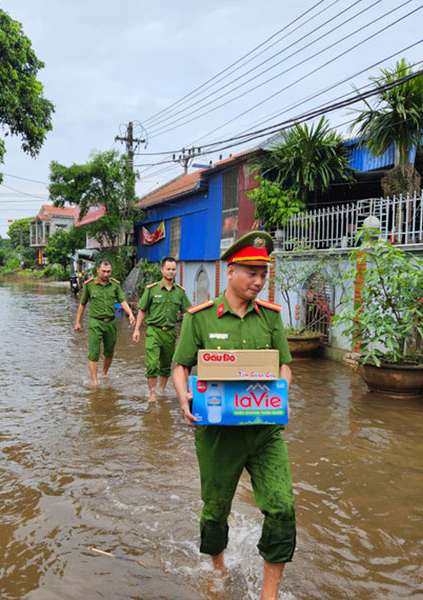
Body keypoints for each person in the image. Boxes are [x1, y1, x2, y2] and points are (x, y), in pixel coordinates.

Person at [171, 231, 294, 600]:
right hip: (217, 433)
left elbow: (284, 366)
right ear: (231, 270)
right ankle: (219, 569)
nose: (258, 281)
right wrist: (183, 396)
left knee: (283, 508)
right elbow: (180, 366)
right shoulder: (201, 318)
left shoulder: (270, 318)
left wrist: (282, 391)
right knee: (215, 511)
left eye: (263, 275)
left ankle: (268, 594)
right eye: (251, 273)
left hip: (263, 430)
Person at [132, 257, 191, 402]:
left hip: (170, 333)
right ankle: (152, 393)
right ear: (162, 270)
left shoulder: (180, 292)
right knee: (152, 364)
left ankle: (162, 390)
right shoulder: (152, 290)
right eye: (168, 269)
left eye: (173, 269)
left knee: (166, 364)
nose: (171, 272)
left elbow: (188, 313)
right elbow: (142, 310)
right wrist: (137, 329)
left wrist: (189, 332)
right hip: (153, 331)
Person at [74, 259, 135, 386]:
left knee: (109, 351)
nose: (106, 274)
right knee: (94, 352)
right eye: (104, 271)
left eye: (109, 272)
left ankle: (103, 373)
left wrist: (130, 313)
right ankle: (95, 381)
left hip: (111, 323)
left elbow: (122, 301)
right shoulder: (89, 285)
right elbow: (82, 304)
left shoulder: (114, 285)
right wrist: (77, 322)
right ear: (97, 270)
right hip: (95, 322)